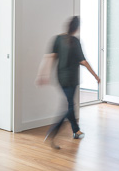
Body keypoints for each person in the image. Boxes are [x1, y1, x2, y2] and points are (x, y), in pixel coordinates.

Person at [36, 16, 100, 148]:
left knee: (70, 104)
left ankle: (76, 130)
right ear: (77, 28)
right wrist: (95, 76)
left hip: (61, 78)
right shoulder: (75, 41)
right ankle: (53, 131)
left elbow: (49, 58)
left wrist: (41, 74)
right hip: (72, 79)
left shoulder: (58, 39)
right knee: (69, 107)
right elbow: (83, 61)